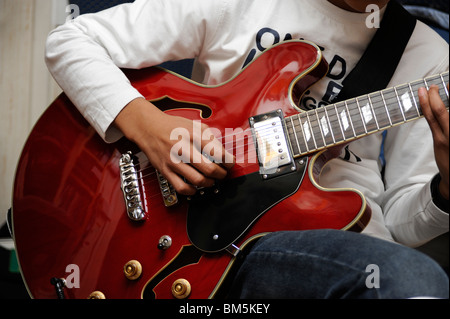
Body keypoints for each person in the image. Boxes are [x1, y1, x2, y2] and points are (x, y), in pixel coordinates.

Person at [45, 0, 449, 298]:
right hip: (216, 239)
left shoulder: (427, 56)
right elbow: (71, 41)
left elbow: (398, 224)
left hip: (342, 246)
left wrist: (446, 187)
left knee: (415, 285)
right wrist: (153, 129)